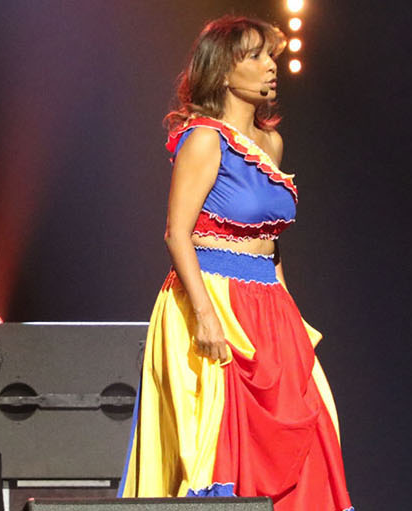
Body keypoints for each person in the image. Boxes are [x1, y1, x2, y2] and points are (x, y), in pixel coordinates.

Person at [119, 15, 353, 511]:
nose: (272, 67)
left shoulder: (271, 144)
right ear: (224, 72)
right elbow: (176, 233)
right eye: (257, 56)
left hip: (269, 302)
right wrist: (205, 315)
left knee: (311, 421)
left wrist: (290, 317)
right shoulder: (205, 138)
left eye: (272, 55)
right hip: (212, 297)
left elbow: (271, 241)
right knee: (221, 443)